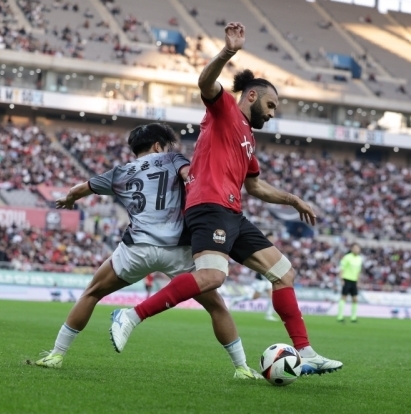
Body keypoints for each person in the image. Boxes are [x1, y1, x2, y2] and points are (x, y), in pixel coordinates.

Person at [109, 23, 342, 376]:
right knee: (212, 278)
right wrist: (228, 53)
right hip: (208, 206)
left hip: (233, 212)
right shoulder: (224, 113)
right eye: (271, 104)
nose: (273, 112)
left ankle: (305, 351)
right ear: (251, 96)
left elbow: (257, 187)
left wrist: (293, 200)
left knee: (283, 272)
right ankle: (131, 314)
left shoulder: (248, 139)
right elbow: (205, 84)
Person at [35, 123, 261, 379]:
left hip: (137, 249)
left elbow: (79, 189)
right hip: (178, 250)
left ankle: (56, 354)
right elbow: (190, 176)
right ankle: (242, 368)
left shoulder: (119, 172)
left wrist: (68, 200)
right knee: (217, 307)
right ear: (157, 146)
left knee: (92, 293)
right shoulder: (173, 158)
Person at [336, 243, 364, 323]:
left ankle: (353, 317)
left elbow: (358, 271)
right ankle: (340, 316)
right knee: (344, 297)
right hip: (347, 279)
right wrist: (341, 279)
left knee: (355, 299)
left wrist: (358, 281)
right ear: (352, 249)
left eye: (357, 248)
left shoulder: (359, 259)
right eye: (355, 248)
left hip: (354, 281)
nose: (356, 250)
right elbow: (342, 268)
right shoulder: (347, 257)